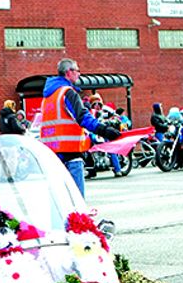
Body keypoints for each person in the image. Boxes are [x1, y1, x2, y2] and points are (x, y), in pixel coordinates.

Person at [37, 58, 121, 195]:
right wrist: (104, 130)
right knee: (77, 204)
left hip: (52, 154)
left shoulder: (48, 96)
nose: (79, 74)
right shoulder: (67, 93)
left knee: (59, 202)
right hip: (70, 154)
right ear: (69, 72)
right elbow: (83, 118)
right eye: (77, 70)